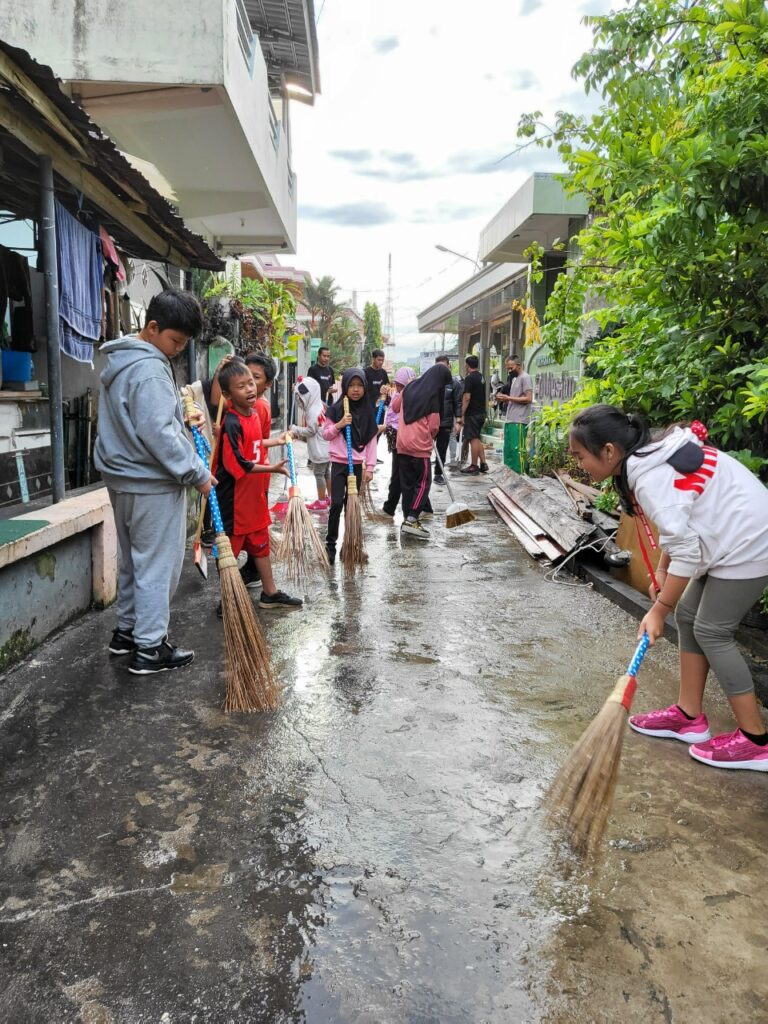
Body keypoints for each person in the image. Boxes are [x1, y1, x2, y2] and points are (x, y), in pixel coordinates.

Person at [569, 404, 768, 771]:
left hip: (750, 544)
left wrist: (659, 610)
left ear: (609, 451)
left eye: (580, 456)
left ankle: (756, 741)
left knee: (712, 630)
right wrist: (663, 568)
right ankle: (689, 716)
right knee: (690, 615)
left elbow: (687, 551)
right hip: (727, 540)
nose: (579, 465)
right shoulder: (649, 458)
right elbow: (680, 527)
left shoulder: (650, 477)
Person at [95, 289, 211, 674]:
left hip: (123, 479)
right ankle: (150, 648)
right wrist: (197, 473)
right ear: (153, 327)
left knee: (133, 562)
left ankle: (127, 633)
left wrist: (178, 422)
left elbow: (148, 423)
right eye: (175, 340)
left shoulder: (123, 361)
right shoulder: (150, 369)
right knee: (156, 568)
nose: (178, 349)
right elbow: (158, 433)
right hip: (151, 483)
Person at [215, 360, 302, 610]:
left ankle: (270, 592)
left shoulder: (252, 415)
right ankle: (228, 600)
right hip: (235, 502)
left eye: (251, 383)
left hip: (254, 499)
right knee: (228, 553)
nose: (249, 389)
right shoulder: (230, 423)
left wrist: (274, 442)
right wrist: (272, 468)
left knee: (261, 546)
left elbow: (253, 444)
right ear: (228, 395)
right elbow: (240, 464)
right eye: (241, 386)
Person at [390, 363, 452, 540]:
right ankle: (412, 518)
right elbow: (434, 426)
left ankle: (408, 520)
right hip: (420, 447)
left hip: (402, 445)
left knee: (407, 485)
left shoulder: (409, 387)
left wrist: (403, 391)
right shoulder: (433, 396)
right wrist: (431, 436)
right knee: (423, 482)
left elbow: (395, 407)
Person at [322, 369, 378, 563]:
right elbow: (325, 434)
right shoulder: (336, 409)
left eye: (359, 386)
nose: (355, 390)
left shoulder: (368, 410)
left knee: (352, 507)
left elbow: (371, 441)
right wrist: (339, 425)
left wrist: (370, 467)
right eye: (352, 385)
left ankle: (352, 546)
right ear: (345, 386)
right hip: (339, 463)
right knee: (337, 503)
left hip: (358, 465)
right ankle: (330, 546)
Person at [290, 376, 331, 509]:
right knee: (326, 473)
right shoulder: (318, 404)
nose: (300, 401)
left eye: (301, 398)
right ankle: (330, 497)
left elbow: (311, 431)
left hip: (319, 449)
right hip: (326, 447)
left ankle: (321, 501)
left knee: (319, 474)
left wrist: (295, 429)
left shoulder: (313, 411)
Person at [381, 366, 416, 517]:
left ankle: (390, 507)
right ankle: (424, 507)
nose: (399, 388)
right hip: (397, 437)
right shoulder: (398, 394)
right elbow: (391, 411)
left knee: (400, 475)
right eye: (397, 384)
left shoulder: (409, 396)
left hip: (404, 439)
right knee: (406, 474)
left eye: (402, 385)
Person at [495, 355, 533, 473]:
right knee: (509, 450)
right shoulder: (515, 379)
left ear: (518, 365)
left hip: (520, 420)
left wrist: (508, 398)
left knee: (518, 451)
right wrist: (504, 399)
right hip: (510, 419)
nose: (509, 371)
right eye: (508, 368)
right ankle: (509, 477)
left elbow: (528, 398)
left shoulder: (525, 377)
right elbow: (514, 398)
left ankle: (521, 476)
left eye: (511, 368)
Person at [433, 355, 462, 485]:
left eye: (443, 366)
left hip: (445, 422)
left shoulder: (454, 384)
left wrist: (459, 421)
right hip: (430, 422)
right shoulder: (430, 382)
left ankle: (438, 474)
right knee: (424, 448)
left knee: (442, 448)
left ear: (449, 366)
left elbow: (458, 403)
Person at [458, 354, 488, 475]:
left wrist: (462, 413)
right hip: (481, 412)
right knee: (477, 437)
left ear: (467, 365)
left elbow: (467, 397)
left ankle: (474, 465)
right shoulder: (481, 377)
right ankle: (483, 463)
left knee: (473, 439)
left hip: (473, 413)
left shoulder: (470, 378)